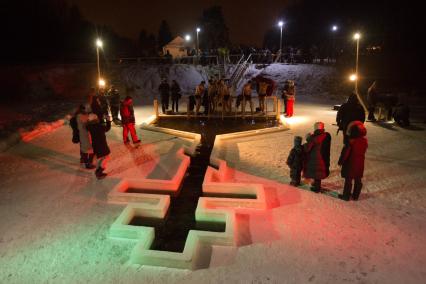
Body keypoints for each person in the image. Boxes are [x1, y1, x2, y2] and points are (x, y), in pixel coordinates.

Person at [338, 121, 368, 201]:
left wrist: (341, 161)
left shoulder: (351, 142)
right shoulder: (364, 141)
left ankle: (346, 196)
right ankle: (355, 196)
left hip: (350, 163)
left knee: (348, 180)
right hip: (360, 163)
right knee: (358, 179)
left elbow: (345, 153)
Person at [303, 122, 331, 193]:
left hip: (315, 157)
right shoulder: (325, 135)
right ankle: (317, 184)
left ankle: (317, 188)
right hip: (322, 157)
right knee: (319, 172)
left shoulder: (314, 138)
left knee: (316, 173)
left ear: (316, 128)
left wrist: (307, 139)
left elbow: (307, 148)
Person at [86, 114, 111, 179]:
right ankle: (99, 171)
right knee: (106, 157)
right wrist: (108, 121)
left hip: (95, 145)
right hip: (102, 145)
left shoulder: (89, 127)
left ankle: (98, 171)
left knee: (101, 158)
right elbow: (107, 128)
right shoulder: (99, 126)